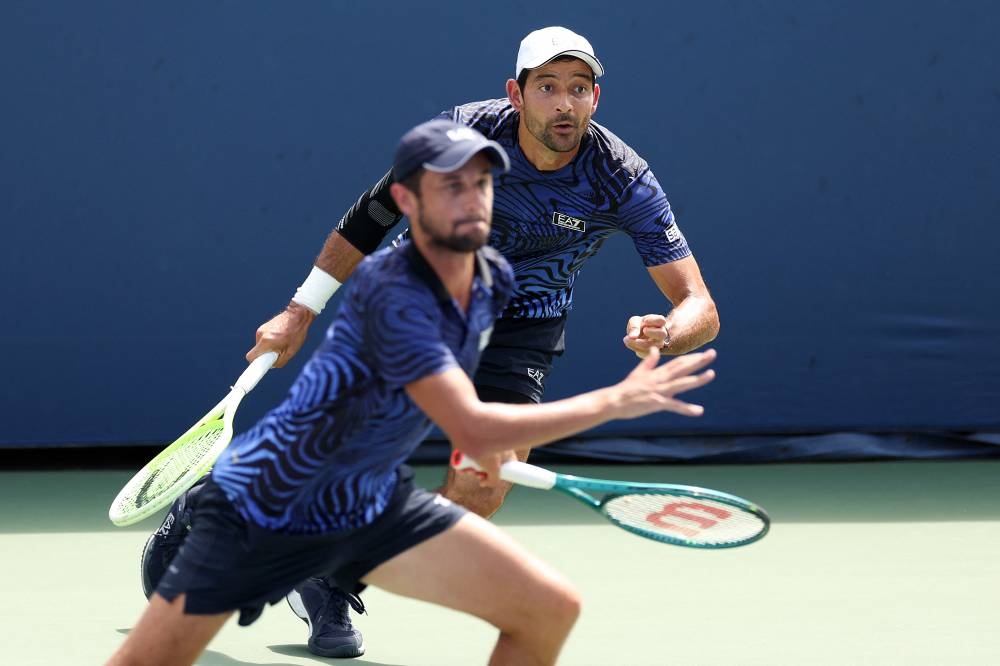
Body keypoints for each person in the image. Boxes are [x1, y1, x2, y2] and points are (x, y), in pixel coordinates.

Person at [110, 119, 718, 666]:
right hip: (277, 499)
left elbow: (473, 427)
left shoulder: (492, 278)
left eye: (483, 184)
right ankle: (210, 503)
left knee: (548, 609)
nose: (475, 200)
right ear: (407, 201)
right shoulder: (394, 293)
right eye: (452, 186)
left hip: (372, 506)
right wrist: (614, 402)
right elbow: (475, 428)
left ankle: (328, 581)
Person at [250, 26, 721, 656]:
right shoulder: (463, 137)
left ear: (595, 100)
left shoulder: (621, 177)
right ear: (516, 94)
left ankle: (330, 577)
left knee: (483, 488)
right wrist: (299, 312)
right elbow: (372, 216)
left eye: (579, 89)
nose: (564, 103)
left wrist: (670, 331)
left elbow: (700, 305)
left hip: (526, 322)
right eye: (547, 87)